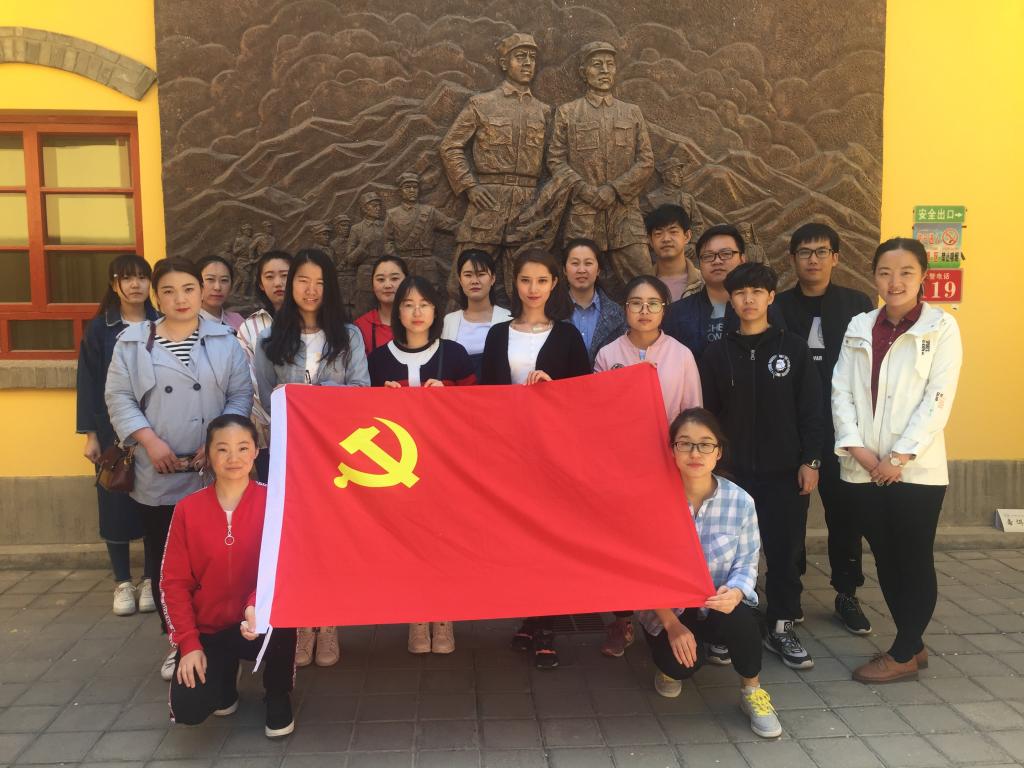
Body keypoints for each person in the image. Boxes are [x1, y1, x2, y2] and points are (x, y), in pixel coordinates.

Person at [105, 257, 253, 681]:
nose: (180, 299)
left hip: (214, 467)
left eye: (188, 289)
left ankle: (225, 637)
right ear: (156, 297)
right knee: (167, 562)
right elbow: (118, 398)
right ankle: (178, 641)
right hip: (160, 468)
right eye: (168, 291)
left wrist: (217, 442)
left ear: (201, 291)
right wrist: (150, 442)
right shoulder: (133, 343)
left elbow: (240, 395)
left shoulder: (224, 340)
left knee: (221, 557)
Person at [833, 237, 962, 684]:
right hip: (864, 467)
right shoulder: (859, 325)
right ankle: (913, 642)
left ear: (923, 276)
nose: (895, 281)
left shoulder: (941, 327)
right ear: (874, 276)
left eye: (906, 272)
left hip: (915, 471)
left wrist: (899, 456)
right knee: (885, 556)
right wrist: (860, 451)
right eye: (886, 272)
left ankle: (904, 651)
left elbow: (938, 399)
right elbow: (841, 390)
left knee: (913, 556)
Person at [699, 262, 823, 670]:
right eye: (740, 293)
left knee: (784, 552)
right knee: (724, 554)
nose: (748, 299)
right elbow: (708, 416)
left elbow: (812, 411)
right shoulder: (717, 354)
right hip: (731, 476)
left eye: (756, 292)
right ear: (730, 300)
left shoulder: (794, 349)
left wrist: (810, 460)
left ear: (771, 297)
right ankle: (724, 627)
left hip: (784, 473)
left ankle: (782, 625)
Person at [253, 248, 370, 669]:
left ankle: (329, 622)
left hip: (337, 459)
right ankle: (303, 625)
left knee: (332, 541)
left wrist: (316, 398)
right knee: (298, 543)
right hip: (291, 460)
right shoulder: (270, 342)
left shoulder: (349, 336)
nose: (310, 290)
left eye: (320, 282)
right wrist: (296, 403)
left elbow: (361, 390)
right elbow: (268, 397)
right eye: (303, 280)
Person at [638, 408, 782, 739]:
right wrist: (672, 625)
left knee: (743, 619)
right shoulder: (651, 502)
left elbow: (747, 562)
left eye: (705, 444)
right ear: (672, 450)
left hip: (717, 601)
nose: (695, 453)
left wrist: (736, 592)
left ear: (718, 452)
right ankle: (672, 661)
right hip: (669, 608)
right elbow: (642, 573)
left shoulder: (740, 502)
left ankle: (752, 691)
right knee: (680, 666)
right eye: (685, 443)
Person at [481, 249, 590, 668]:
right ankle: (529, 615)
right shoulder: (498, 334)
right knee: (519, 539)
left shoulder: (567, 336)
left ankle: (546, 626)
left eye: (542, 280)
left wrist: (553, 388)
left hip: (552, 455)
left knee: (550, 539)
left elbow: (584, 395)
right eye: (526, 280)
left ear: (554, 284)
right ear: (516, 283)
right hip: (508, 453)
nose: (533, 289)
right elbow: (485, 396)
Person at [162, 415, 296, 739]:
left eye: (243, 448)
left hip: (258, 621)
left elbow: (285, 568)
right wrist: (188, 643)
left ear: (256, 452)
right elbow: (173, 583)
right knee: (190, 708)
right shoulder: (187, 510)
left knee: (283, 619)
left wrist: (255, 605)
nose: (233, 458)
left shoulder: (275, 502)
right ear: (208, 455)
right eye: (222, 449)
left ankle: (277, 691)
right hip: (209, 626)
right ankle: (224, 676)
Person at [591, 274, 701, 657]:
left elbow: (692, 413)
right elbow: (595, 412)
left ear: (664, 310)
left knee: (661, 543)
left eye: (653, 304)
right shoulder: (608, 355)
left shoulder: (681, 355)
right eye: (636, 303)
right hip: (620, 467)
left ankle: (668, 616)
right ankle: (621, 620)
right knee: (621, 544)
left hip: (667, 465)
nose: (644, 311)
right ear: (625, 309)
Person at [774, 224, 875, 635]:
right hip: (792, 429)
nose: (812, 259)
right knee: (790, 517)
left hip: (843, 430)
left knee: (846, 515)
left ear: (835, 257)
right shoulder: (778, 305)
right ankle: (790, 593)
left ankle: (846, 593)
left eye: (821, 251)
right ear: (793, 259)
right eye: (804, 252)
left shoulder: (858, 305)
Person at [368, 276, 475, 654]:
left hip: (445, 467)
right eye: (408, 304)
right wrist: (379, 401)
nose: (417, 312)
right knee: (408, 542)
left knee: (443, 541)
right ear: (397, 312)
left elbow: (481, 408)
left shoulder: (455, 354)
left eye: (424, 304)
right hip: (397, 469)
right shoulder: (378, 360)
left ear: (436, 310)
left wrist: (451, 396)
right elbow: (360, 418)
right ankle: (416, 614)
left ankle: (443, 615)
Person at [77, 253, 159, 617]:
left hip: (156, 428)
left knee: (154, 504)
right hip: (112, 430)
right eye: (127, 278)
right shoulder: (100, 329)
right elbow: (87, 382)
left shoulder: (162, 323)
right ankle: (123, 581)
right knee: (114, 500)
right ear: (115, 284)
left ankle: (150, 579)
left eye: (142, 277)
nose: (135, 284)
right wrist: (90, 434)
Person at [548, 41, 655, 300]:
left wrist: (614, 189)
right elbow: (555, 160)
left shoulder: (631, 113)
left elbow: (646, 160)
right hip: (584, 214)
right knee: (574, 287)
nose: (605, 70)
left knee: (644, 282)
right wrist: (584, 190)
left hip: (625, 215)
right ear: (583, 72)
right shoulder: (568, 113)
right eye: (597, 65)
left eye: (610, 64)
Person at [663, 224, 785, 360]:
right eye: (708, 256)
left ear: (742, 259)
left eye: (726, 254)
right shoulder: (677, 313)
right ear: (700, 263)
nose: (717, 261)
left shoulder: (766, 308)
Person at [237, 250, 292, 483]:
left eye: (284, 275)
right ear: (260, 283)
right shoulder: (249, 327)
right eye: (269, 277)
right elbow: (248, 380)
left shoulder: (315, 324)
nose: (278, 283)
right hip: (267, 434)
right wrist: (272, 418)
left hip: (310, 429)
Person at [441, 250, 512, 379]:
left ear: (493, 279)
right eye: (468, 275)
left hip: (496, 389)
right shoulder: (449, 321)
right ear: (460, 280)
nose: (474, 281)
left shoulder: (507, 318)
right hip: (458, 390)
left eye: (481, 274)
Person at [563, 238, 626, 364]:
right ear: (564, 269)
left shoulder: (616, 313)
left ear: (598, 270)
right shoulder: (550, 311)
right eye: (575, 263)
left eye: (588, 263)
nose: (581, 270)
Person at [645, 204, 703, 302]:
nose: (666, 239)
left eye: (673, 232)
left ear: (687, 236)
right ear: (650, 241)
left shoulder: (704, 282)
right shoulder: (642, 286)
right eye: (658, 234)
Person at [354, 256, 408, 357]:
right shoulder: (361, 327)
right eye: (381, 279)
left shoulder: (419, 322)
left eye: (394, 278)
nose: (387, 285)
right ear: (372, 284)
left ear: (407, 281)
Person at [197, 255, 244, 331]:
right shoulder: (184, 324)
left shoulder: (238, 321)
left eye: (224, 280)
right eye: (210, 279)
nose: (217, 287)